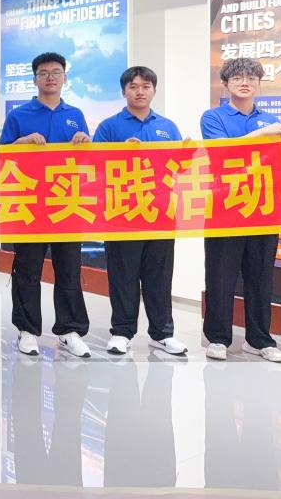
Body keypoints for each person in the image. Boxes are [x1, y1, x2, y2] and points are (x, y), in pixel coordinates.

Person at [200, 57, 281, 363]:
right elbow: (223, 151)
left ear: (259, 84)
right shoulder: (213, 117)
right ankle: (218, 338)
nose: (244, 83)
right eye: (237, 78)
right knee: (221, 276)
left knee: (260, 277)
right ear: (226, 84)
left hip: (264, 209)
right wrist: (264, 134)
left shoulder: (270, 120)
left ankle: (259, 339)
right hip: (225, 207)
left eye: (251, 78)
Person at [0, 51, 92, 359]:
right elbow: (2, 157)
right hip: (30, 203)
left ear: (65, 77)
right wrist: (21, 143)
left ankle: (69, 330)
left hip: (67, 202)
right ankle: (27, 330)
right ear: (34, 78)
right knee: (27, 269)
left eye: (55, 72)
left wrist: (85, 144)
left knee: (69, 269)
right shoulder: (19, 116)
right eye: (43, 73)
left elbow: (86, 161)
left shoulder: (75, 115)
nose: (50, 77)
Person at [92, 66, 187, 357]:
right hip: (123, 214)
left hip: (160, 213)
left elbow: (179, 168)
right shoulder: (109, 127)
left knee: (160, 276)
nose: (140, 92)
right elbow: (94, 167)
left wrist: (186, 154)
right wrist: (120, 152)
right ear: (124, 92)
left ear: (154, 90)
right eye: (133, 87)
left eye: (146, 86)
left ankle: (162, 334)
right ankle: (122, 332)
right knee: (124, 277)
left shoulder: (167, 126)